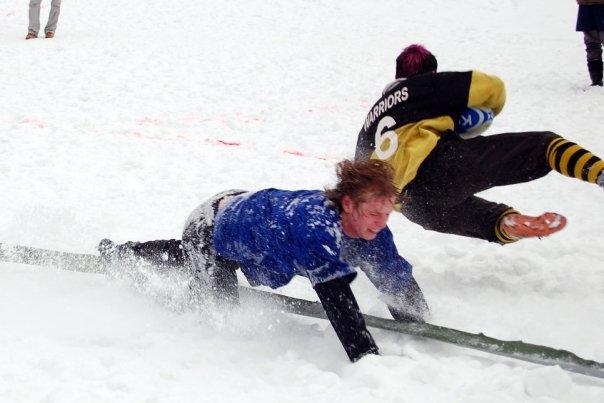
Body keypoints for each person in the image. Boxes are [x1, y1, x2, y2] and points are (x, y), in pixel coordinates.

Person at [98, 159, 429, 363]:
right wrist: (369, 360)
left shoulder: (374, 230)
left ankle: (128, 253)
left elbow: (394, 277)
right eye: (373, 213)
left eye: (386, 214)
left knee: (197, 256)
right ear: (347, 204)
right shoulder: (315, 230)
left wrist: (418, 320)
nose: (379, 222)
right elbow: (338, 302)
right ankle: (126, 258)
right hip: (210, 223)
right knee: (218, 313)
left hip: (250, 215)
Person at [355, 44, 604, 245]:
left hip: (408, 204)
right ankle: (600, 173)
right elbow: (493, 88)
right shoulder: (426, 86)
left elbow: (360, 174)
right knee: (544, 146)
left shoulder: (370, 121)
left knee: (484, 218)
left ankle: (507, 223)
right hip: (439, 168)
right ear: (431, 73)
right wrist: (476, 118)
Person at [576, 0, 604, 86]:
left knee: (592, 45)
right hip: (586, 8)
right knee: (592, 45)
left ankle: (596, 81)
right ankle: (596, 80)